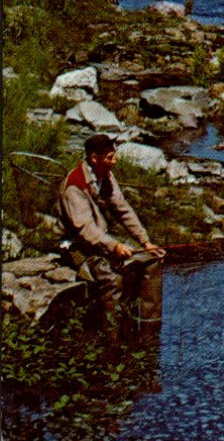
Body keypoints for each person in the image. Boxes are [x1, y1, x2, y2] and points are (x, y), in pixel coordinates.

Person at [58, 133, 166, 335]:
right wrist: (115, 247)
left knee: (153, 259)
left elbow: (123, 209)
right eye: (109, 157)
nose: (114, 162)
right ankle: (112, 341)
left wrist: (146, 242)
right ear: (93, 158)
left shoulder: (105, 174)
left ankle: (150, 330)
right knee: (112, 280)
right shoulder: (74, 186)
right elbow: (86, 230)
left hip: (100, 241)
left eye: (113, 156)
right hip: (77, 246)